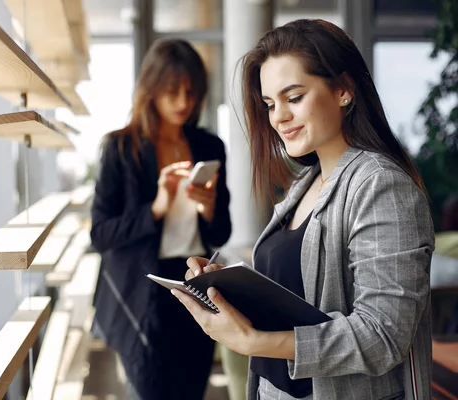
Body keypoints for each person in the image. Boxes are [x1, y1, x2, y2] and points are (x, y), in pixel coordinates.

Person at [172, 19, 435, 400]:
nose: (278, 117)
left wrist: (255, 342)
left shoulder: (380, 185)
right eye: (269, 104)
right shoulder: (304, 182)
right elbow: (296, 296)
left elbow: (383, 335)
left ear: (343, 90)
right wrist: (229, 287)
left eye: (293, 98)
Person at [90, 38, 232, 400]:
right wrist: (156, 206)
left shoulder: (209, 147)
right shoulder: (121, 148)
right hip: (143, 293)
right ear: (151, 89)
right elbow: (100, 234)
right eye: (173, 91)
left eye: (191, 91)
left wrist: (210, 208)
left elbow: (221, 232)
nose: (184, 102)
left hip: (196, 287)